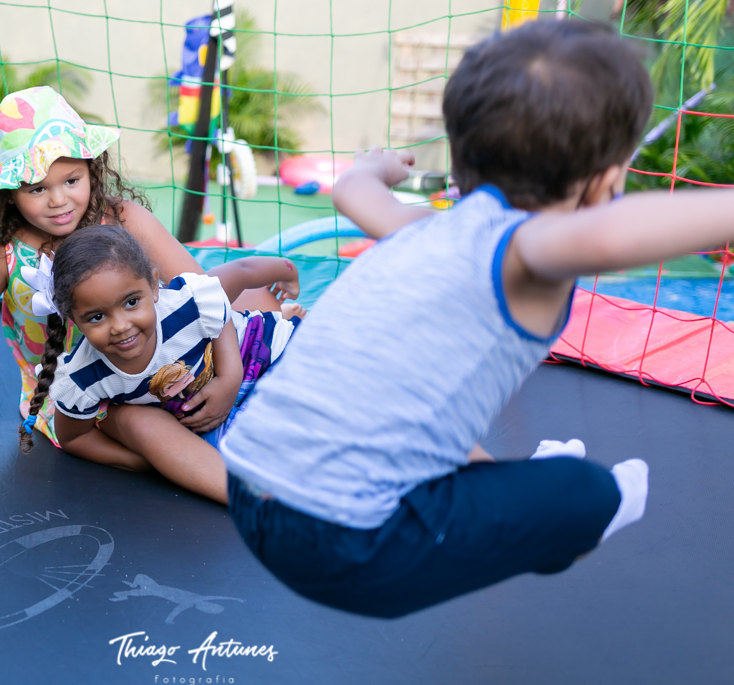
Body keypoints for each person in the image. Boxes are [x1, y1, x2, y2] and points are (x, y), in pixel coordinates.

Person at [219, 19, 734, 618]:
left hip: (246, 487)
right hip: (346, 544)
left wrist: (377, 168)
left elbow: (352, 190)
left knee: (428, 404)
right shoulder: (526, 251)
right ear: (605, 184)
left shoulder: (422, 228)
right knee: (589, 493)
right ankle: (574, 512)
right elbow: (606, 237)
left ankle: (519, 491)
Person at [0, 86, 299, 454]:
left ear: (90, 170)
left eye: (71, 180)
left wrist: (229, 377)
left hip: (157, 366)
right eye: (37, 188)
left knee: (254, 298)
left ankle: (283, 331)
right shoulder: (3, 253)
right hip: (81, 401)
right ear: (10, 194)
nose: (58, 200)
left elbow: (199, 290)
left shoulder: (121, 218)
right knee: (146, 428)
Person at [20, 223, 302, 504]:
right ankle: (264, 502)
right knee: (267, 451)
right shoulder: (83, 377)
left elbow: (241, 273)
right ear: (73, 318)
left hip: (265, 354)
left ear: (154, 286)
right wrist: (140, 460)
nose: (121, 326)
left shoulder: (185, 303)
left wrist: (287, 272)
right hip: (208, 416)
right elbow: (74, 438)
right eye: (97, 317)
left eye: (131, 302)